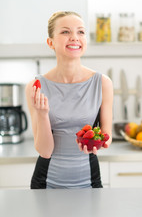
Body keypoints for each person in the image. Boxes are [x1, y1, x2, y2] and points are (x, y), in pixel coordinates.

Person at [25, 11, 113, 189]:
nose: (75, 38)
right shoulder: (36, 86)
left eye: (80, 32)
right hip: (46, 182)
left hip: (90, 179)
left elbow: (106, 136)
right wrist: (42, 115)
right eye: (65, 32)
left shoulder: (102, 83)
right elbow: (44, 151)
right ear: (50, 42)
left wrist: (98, 143)